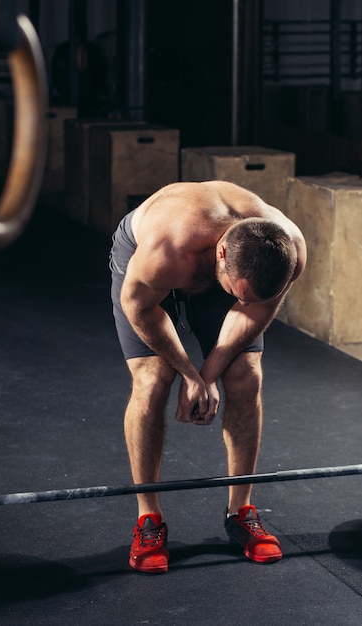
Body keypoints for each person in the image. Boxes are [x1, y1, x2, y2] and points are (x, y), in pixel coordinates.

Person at [109, 180, 307, 574]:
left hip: (230, 269)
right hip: (148, 267)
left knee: (247, 375)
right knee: (152, 381)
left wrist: (210, 372)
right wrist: (189, 374)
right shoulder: (165, 250)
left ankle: (241, 511)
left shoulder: (290, 249)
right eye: (241, 294)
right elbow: (140, 308)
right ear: (220, 255)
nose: (246, 301)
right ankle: (149, 517)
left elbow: (255, 308)